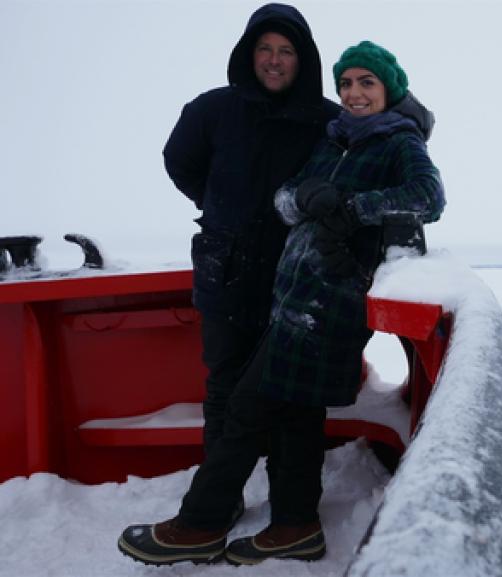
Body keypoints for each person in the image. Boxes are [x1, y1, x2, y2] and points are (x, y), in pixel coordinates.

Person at [118, 41, 445, 566]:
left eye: (367, 83)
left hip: (330, 303)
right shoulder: (335, 139)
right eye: (346, 84)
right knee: (294, 414)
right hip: (294, 297)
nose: (354, 94)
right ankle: (296, 526)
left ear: (389, 89)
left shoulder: (398, 140)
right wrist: (306, 200)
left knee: (247, 410)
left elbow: (429, 197)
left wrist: (352, 208)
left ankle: (199, 524)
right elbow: (285, 198)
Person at [163, 3, 340, 457]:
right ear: (249, 53)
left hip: (293, 279)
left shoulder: (327, 120)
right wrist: (216, 203)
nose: (274, 60)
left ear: (303, 60)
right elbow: (179, 160)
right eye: (265, 48)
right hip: (226, 270)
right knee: (224, 383)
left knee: (293, 390)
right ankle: (219, 496)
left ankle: (289, 505)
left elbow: (365, 158)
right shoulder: (212, 109)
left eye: (285, 50)